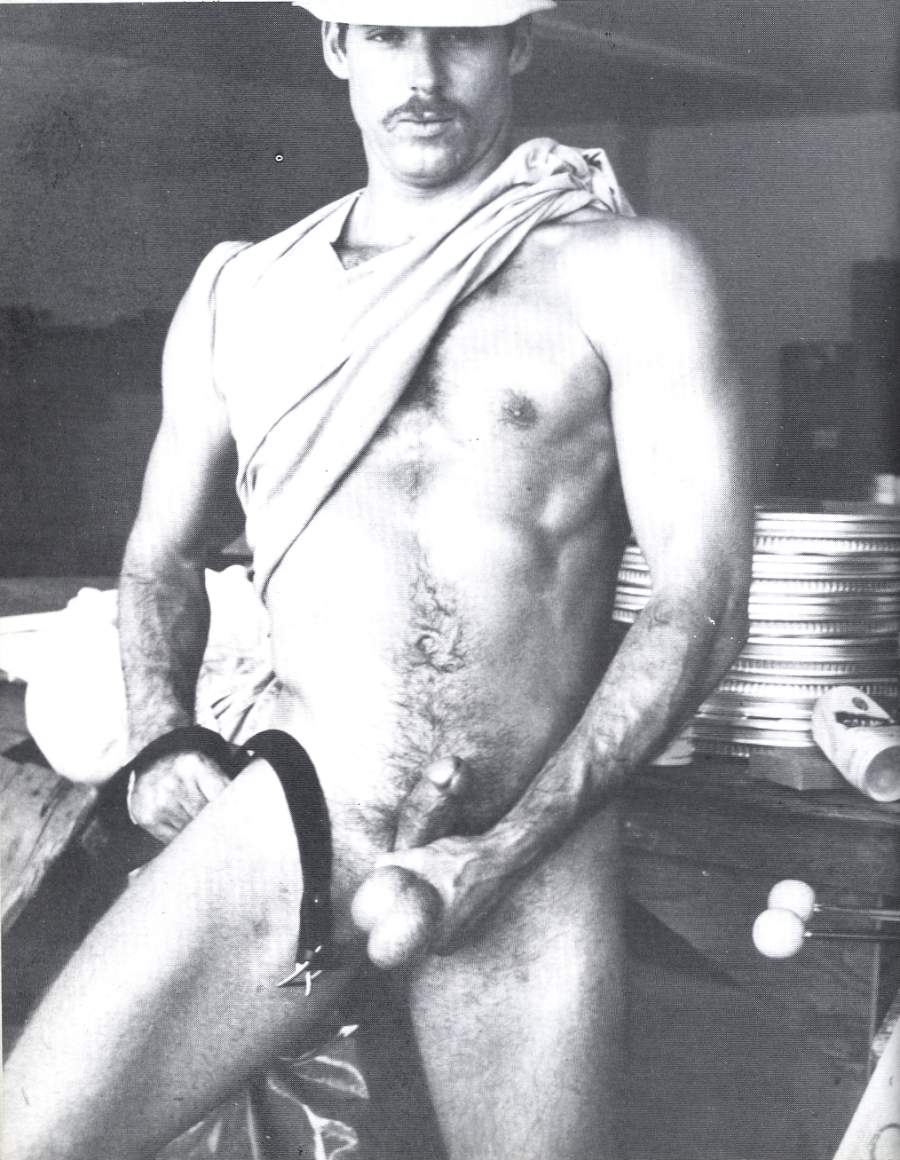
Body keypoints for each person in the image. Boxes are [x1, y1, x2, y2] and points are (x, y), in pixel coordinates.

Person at [3, 2, 753, 1158]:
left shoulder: (629, 273)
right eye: (390, 34)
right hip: (299, 809)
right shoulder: (242, 291)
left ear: (519, 44)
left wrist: (501, 852)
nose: (425, 74)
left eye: (462, 36)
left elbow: (700, 603)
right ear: (336, 46)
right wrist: (160, 739)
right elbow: (161, 554)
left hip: (520, 844)